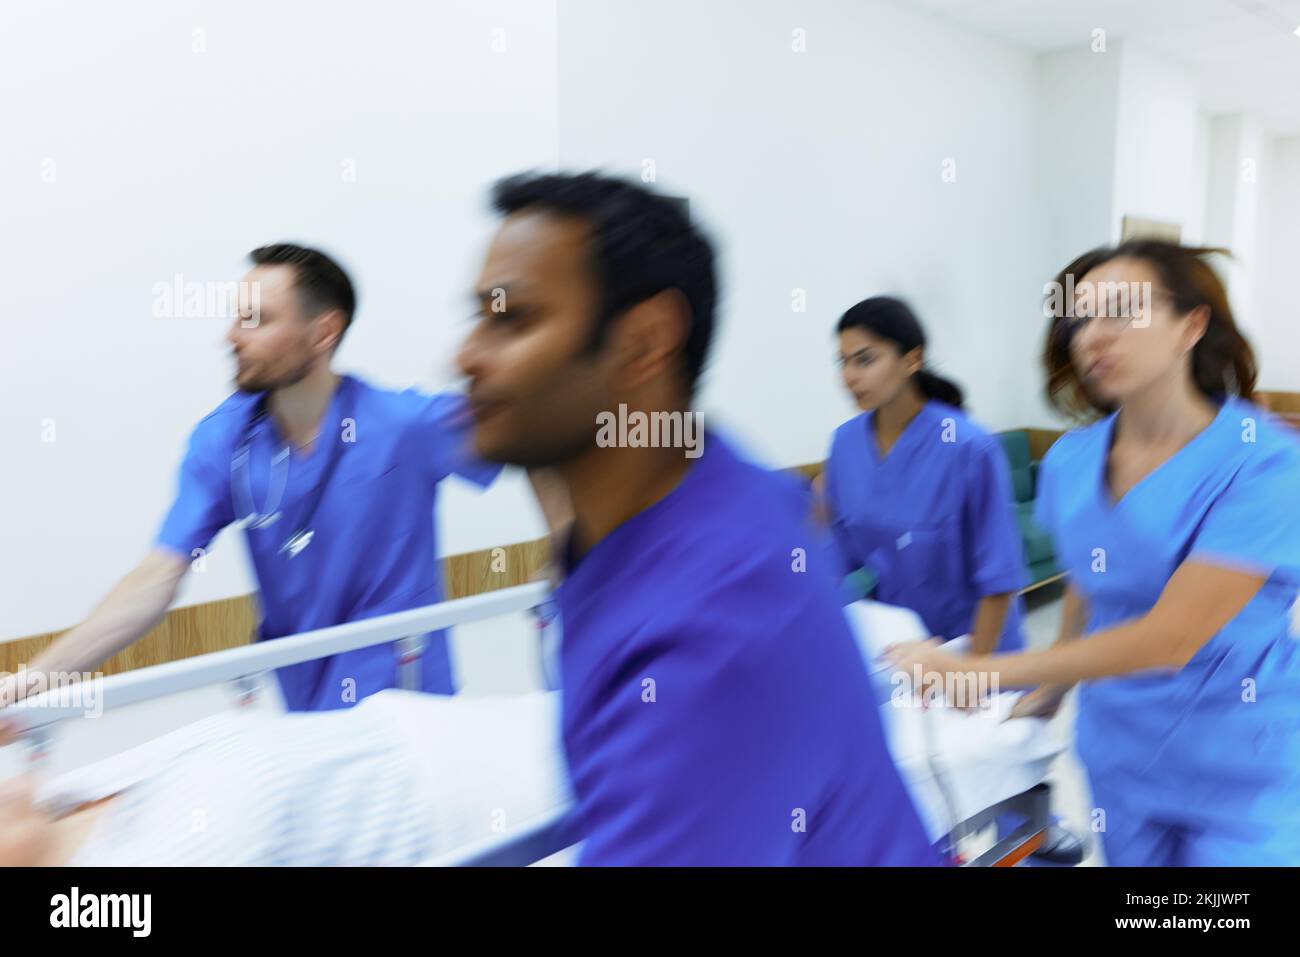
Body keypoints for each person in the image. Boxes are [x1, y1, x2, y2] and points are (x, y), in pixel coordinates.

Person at [457, 171, 939, 865]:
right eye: (477, 316)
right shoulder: (702, 476)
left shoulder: (713, 640)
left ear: (645, 341)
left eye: (513, 319)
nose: (466, 355)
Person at [888, 240, 1300, 865]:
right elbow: (1092, 577)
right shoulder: (1073, 462)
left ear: (1191, 325)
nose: (1092, 337)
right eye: (1080, 319)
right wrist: (1058, 682)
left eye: (1121, 312)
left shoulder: (1264, 462)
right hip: (1121, 756)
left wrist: (979, 670)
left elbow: (1171, 638)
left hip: (1244, 762)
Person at [1, 244, 502, 713]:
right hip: (307, 712)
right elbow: (157, 576)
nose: (231, 337)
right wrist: (36, 680)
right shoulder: (224, 442)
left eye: (254, 319)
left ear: (323, 333)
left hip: (407, 708)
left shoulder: (403, 426)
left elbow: (544, 429)